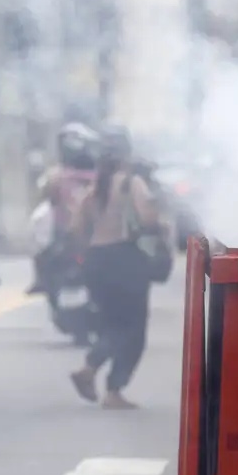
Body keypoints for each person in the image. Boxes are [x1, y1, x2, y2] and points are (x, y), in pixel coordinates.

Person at [69, 129, 158, 409]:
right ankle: (106, 382)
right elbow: (147, 217)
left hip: (96, 259)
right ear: (126, 155)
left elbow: (76, 229)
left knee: (111, 323)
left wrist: (87, 254)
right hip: (124, 258)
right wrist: (157, 226)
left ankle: (95, 373)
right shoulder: (131, 183)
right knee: (133, 329)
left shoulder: (93, 189)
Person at [27, 123, 99, 294]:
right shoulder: (57, 175)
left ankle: (40, 279)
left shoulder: (58, 174)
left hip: (82, 232)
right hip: (69, 232)